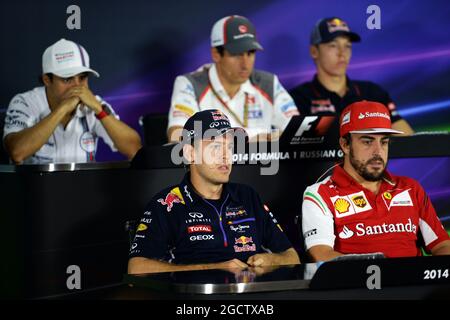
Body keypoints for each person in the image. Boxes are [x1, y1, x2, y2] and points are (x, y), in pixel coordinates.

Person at [128, 109, 300, 274]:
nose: (226, 155)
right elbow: (136, 268)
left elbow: (292, 256)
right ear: (190, 153)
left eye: (230, 147)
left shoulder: (248, 196)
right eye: (216, 147)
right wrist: (213, 268)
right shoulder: (167, 204)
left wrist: (272, 260)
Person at [301, 100, 450, 261]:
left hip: (416, 284)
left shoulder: (410, 188)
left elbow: (442, 245)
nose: (378, 151)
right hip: (359, 284)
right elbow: (321, 255)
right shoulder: (320, 194)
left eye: (384, 142)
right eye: (367, 141)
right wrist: (383, 273)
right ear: (345, 145)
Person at [3, 38, 142, 164]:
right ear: (47, 80)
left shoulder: (94, 104)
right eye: (67, 79)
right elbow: (17, 152)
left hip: (83, 189)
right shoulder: (25, 102)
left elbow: (134, 149)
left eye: (82, 77)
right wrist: (62, 109)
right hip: (35, 190)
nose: (78, 87)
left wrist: (100, 110)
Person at [167, 15, 299, 143]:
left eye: (250, 53)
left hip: (264, 165)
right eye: (236, 54)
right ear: (216, 54)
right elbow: (178, 136)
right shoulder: (190, 84)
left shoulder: (269, 83)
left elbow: (299, 132)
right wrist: (251, 139)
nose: (245, 63)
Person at [289, 17, 414, 135]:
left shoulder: (372, 93)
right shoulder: (297, 99)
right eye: (333, 45)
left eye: (347, 46)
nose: (342, 53)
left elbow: (406, 138)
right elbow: (285, 148)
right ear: (314, 51)